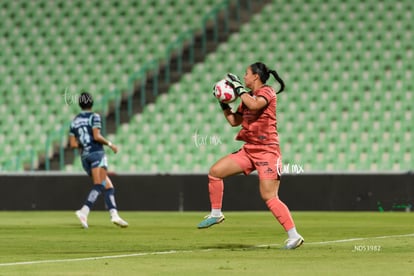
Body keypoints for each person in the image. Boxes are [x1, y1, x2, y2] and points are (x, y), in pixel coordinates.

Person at [197, 62, 304, 249]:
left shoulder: (267, 92)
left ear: (256, 76)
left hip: (267, 151)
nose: (244, 77)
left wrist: (238, 89)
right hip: (250, 149)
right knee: (215, 172)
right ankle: (216, 214)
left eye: (246, 74)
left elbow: (254, 106)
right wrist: (223, 103)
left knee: (269, 196)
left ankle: (294, 236)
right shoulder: (247, 98)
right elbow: (234, 121)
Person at [69, 91, 128, 229]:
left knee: (108, 186)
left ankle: (114, 215)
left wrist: (85, 144)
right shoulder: (94, 117)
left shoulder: (75, 121)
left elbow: (72, 144)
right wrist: (110, 144)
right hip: (97, 153)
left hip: (85, 156)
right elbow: (96, 136)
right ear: (92, 103)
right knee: (99, 184)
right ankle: (84, 211)